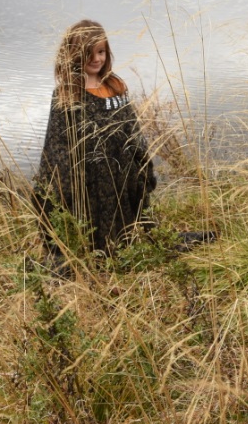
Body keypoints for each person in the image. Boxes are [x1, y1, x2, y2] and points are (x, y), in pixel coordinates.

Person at [32, 19, 157, 266]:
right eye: (88, 53)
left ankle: (123, 247)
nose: (96, 59)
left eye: (100, 52)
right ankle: (92, 252)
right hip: (86, 173)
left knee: (121, 212)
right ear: (73, 54)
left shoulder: (114, 85)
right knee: (92, 216)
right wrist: (58, 179)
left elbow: (129, 126)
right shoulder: (67, 92)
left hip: (119, 171)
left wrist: (140, 159)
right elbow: (57, 142)